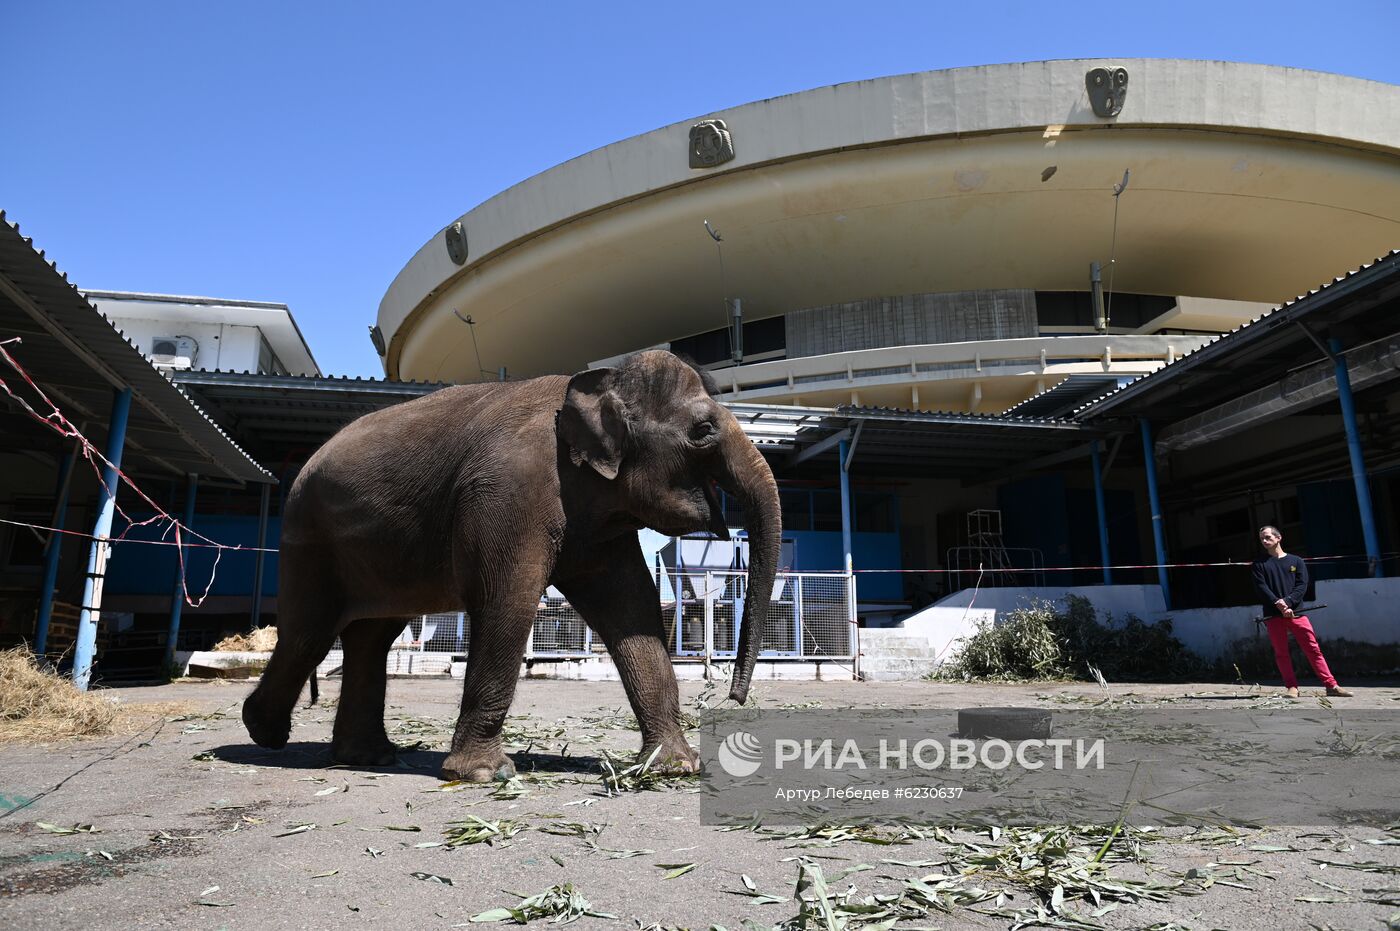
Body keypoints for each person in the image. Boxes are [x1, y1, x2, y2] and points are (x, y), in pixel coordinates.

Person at [1251, 525, 1352, 698]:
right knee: (1281, 653)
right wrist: (1278, 604)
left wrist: (1288, 602)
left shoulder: (1296, 561)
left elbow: (1301, 585)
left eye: (1268, 537)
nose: (1265, 541)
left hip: (1297, 612)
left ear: (1278, 538)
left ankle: (1331, 685)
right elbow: (1261, 588)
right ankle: (1292, 688)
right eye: (1262, 539)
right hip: (1273, 615)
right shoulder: (1258, 564)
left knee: (1313, 649)